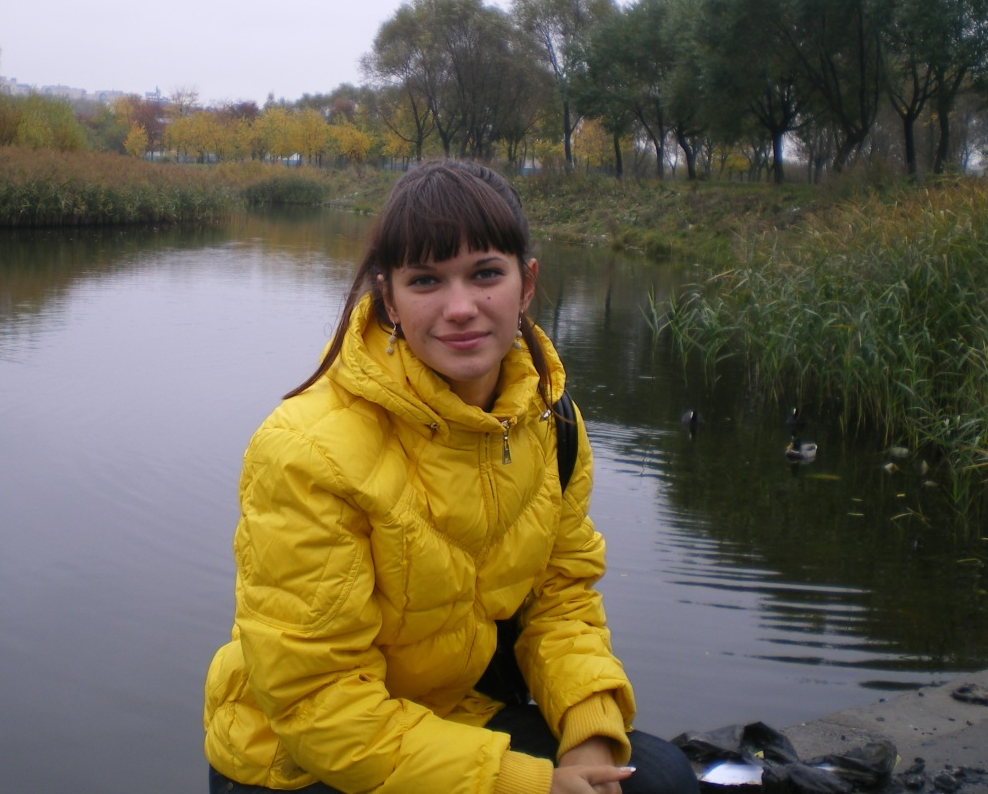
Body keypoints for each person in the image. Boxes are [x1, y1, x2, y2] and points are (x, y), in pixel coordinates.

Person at [203, 160, 697, 794]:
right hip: (300, 759)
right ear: (389, 298)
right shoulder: (307, 451)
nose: (460, 308)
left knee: (660, 780)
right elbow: (317, 701)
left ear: (526, 284)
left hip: (453, 712)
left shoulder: (551, 421)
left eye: (486, 273)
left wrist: (589, 735)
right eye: (426, 280)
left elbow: (560, 598)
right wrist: (525, 784)